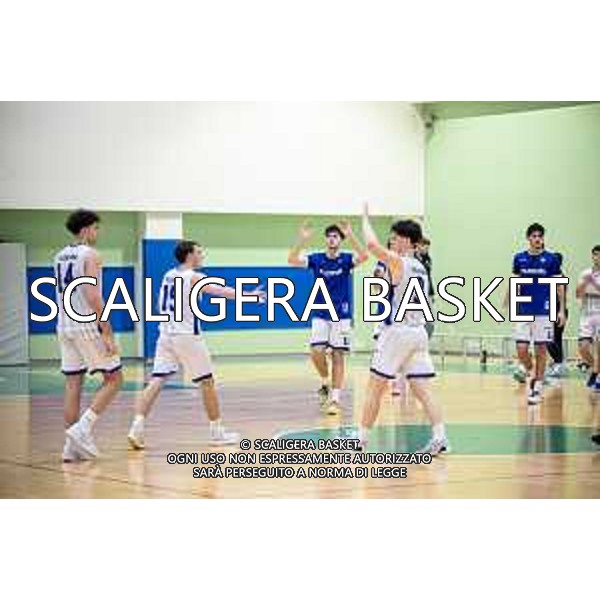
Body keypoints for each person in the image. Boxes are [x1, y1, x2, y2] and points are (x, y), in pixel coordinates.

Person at [127, 240, 265, 449]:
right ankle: (217, 433)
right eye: (199, 252)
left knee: (156, 380)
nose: (202, 255)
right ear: (190, 255)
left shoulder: (168, 275)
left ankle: (136, 427)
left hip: (165, 334)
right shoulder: (193, 277)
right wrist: (250, 296)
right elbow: (221, 291)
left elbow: (158, 304)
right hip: (187, 336)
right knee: (207, 382)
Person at [359, 205, 449, 456]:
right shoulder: (421, 266)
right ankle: (440, 437)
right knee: (423, 390)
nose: (392, 240)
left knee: (374, 387)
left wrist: (364, 219)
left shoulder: (400, 262)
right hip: (418, 333)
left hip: (397, 332)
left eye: (396, 237)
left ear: (407, 241)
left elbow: (371, 245)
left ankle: (360, 440)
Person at [54, 209, 123, 462]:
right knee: (114, 379)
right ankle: (82, 429)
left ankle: (69, 448)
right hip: (85, 324)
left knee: (73, 384)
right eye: (95, 228)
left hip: (64, 325)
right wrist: (107, 331)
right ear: (85, 230)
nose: (97, 232)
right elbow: (92, 295)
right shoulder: (91, 254)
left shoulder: (59, 255)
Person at [288, 221, 368, 415]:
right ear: (326, 239)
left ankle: (335, 400)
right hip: (321, 312)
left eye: (336, 236)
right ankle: (325, 381)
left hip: (341, 314)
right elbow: (292, 259)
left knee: (337, 355)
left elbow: (364, 256)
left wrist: (351, 235)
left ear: (340, 240)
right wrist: (302, 239)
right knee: (316, 351)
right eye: (329, 236)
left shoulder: (346, 260)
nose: (332, 239)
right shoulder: (316, 259)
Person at [507, 223, 566, 404]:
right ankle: (532, 371)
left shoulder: (551, 259)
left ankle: (537, 388)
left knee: (541, 349)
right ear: (528, 238)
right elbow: (514, 282)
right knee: (521, 349)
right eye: (534, 236)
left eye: (540, 236)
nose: (537, 239)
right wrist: (509, 301)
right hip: (523, 310)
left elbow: (559, 286)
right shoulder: (519, 258)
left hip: (544, 311)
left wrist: (561, 310)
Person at [575, 245, 600, 393]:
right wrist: (585, 282)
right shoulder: (585, 273)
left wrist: (594, 283)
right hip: (586, 314)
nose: (598, 258)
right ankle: (595, 369)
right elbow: (578, 294)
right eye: (595, 254)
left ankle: (597, 375)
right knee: (583, 347)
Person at [546, 252, 568, 378]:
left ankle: (558, 363)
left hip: (558, 310)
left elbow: (561, 296)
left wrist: (561, 312)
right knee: (556, 339)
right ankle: (558, 364)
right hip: (550, 310)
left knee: (549, 339)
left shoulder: (559, 277)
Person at [415, 236, 435, 340]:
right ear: (419, 246)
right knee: (417, 320)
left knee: (430, 321)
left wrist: (432, 293)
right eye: (425, 248)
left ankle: (425, 340)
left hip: (428, 293)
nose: (427, 250)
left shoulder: (427, 259)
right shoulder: (413, 259)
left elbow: (428, 277)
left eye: (428, 248)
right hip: (416, 294)